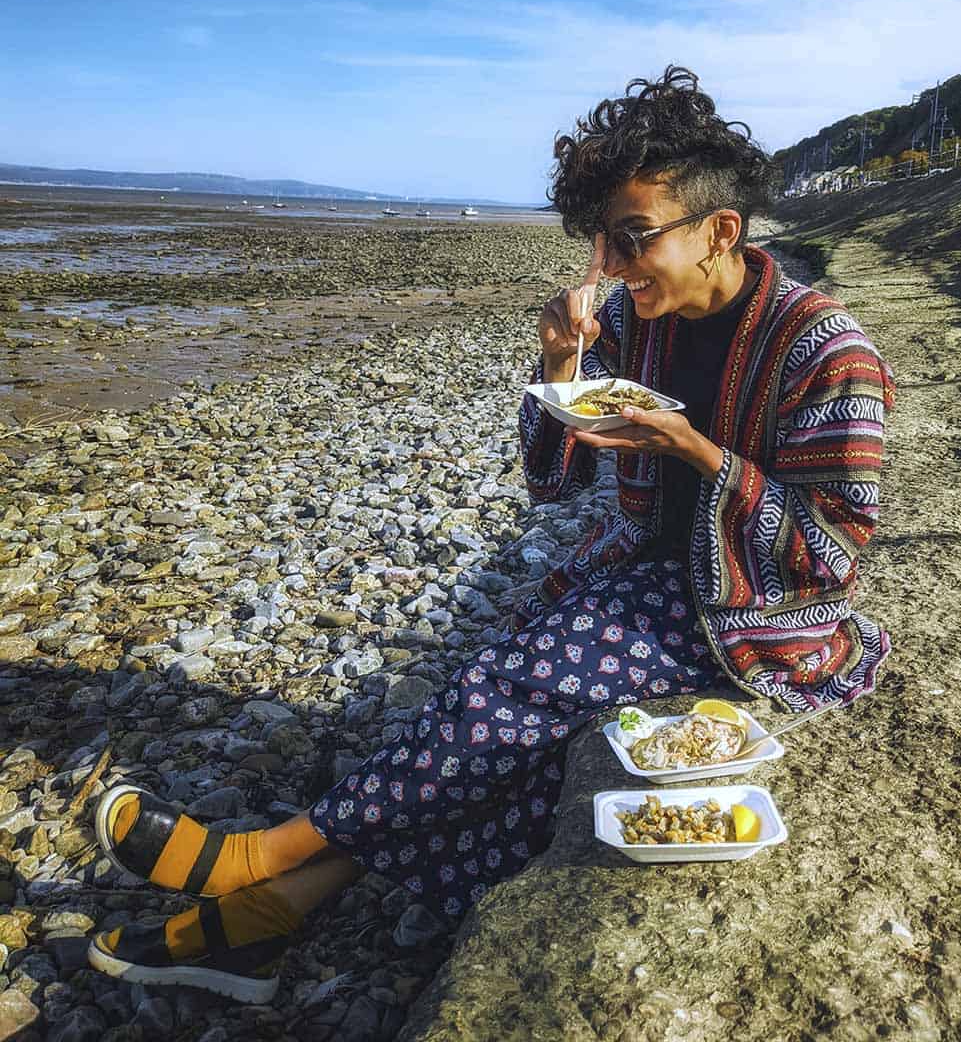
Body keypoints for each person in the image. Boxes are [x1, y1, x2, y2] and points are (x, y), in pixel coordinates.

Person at [87, 66, 894, 1002]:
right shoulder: (642, 321)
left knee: (507, 683)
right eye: (601, 241)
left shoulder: (829, 353)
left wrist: (699, 453)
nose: (615, 264)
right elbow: (554, 481)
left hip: (761, 618)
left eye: (633, 238)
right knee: (515, 745)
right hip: (646, 574)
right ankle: (274, 918)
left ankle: (258, 859)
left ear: (721, 230)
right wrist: (559, 363)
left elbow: (833, 552)